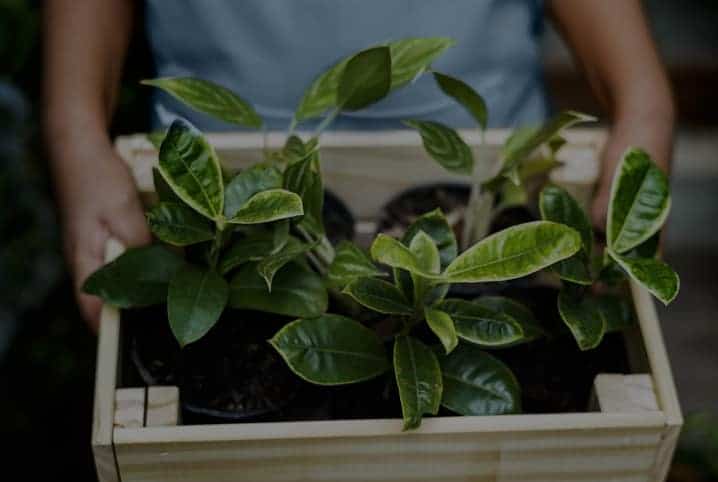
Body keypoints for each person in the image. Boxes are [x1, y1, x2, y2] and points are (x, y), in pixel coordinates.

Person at [44, 0, 674, 330]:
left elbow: (641, 104)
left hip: (496, 180)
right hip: (217, 190)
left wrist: (644, 101)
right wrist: (74, 129)